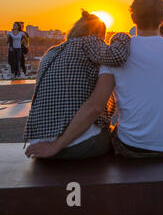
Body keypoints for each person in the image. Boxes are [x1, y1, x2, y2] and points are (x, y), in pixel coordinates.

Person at [26, 0, 163, 159]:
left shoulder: (119, 52)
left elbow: (95, 106)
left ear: (133, 18)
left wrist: (56, 144)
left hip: (132, 147)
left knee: (113, 131)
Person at [24, 10, 130, 159]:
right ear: (97, 34)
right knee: (121, 136)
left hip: (38, 144)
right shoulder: (89, 42)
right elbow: (117, 56)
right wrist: (121, 36)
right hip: (76, 145)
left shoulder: (51, 53)